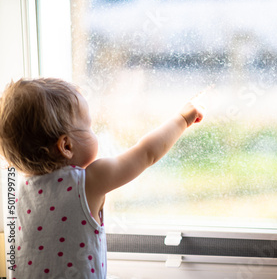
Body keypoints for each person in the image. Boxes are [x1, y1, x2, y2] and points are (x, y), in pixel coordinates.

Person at [0, 77, 204, 278]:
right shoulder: (88, 182)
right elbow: (145, 153)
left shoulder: (18, 191)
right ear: (66, 146)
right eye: (89, 127)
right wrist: (182, 119)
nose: (94, 131)